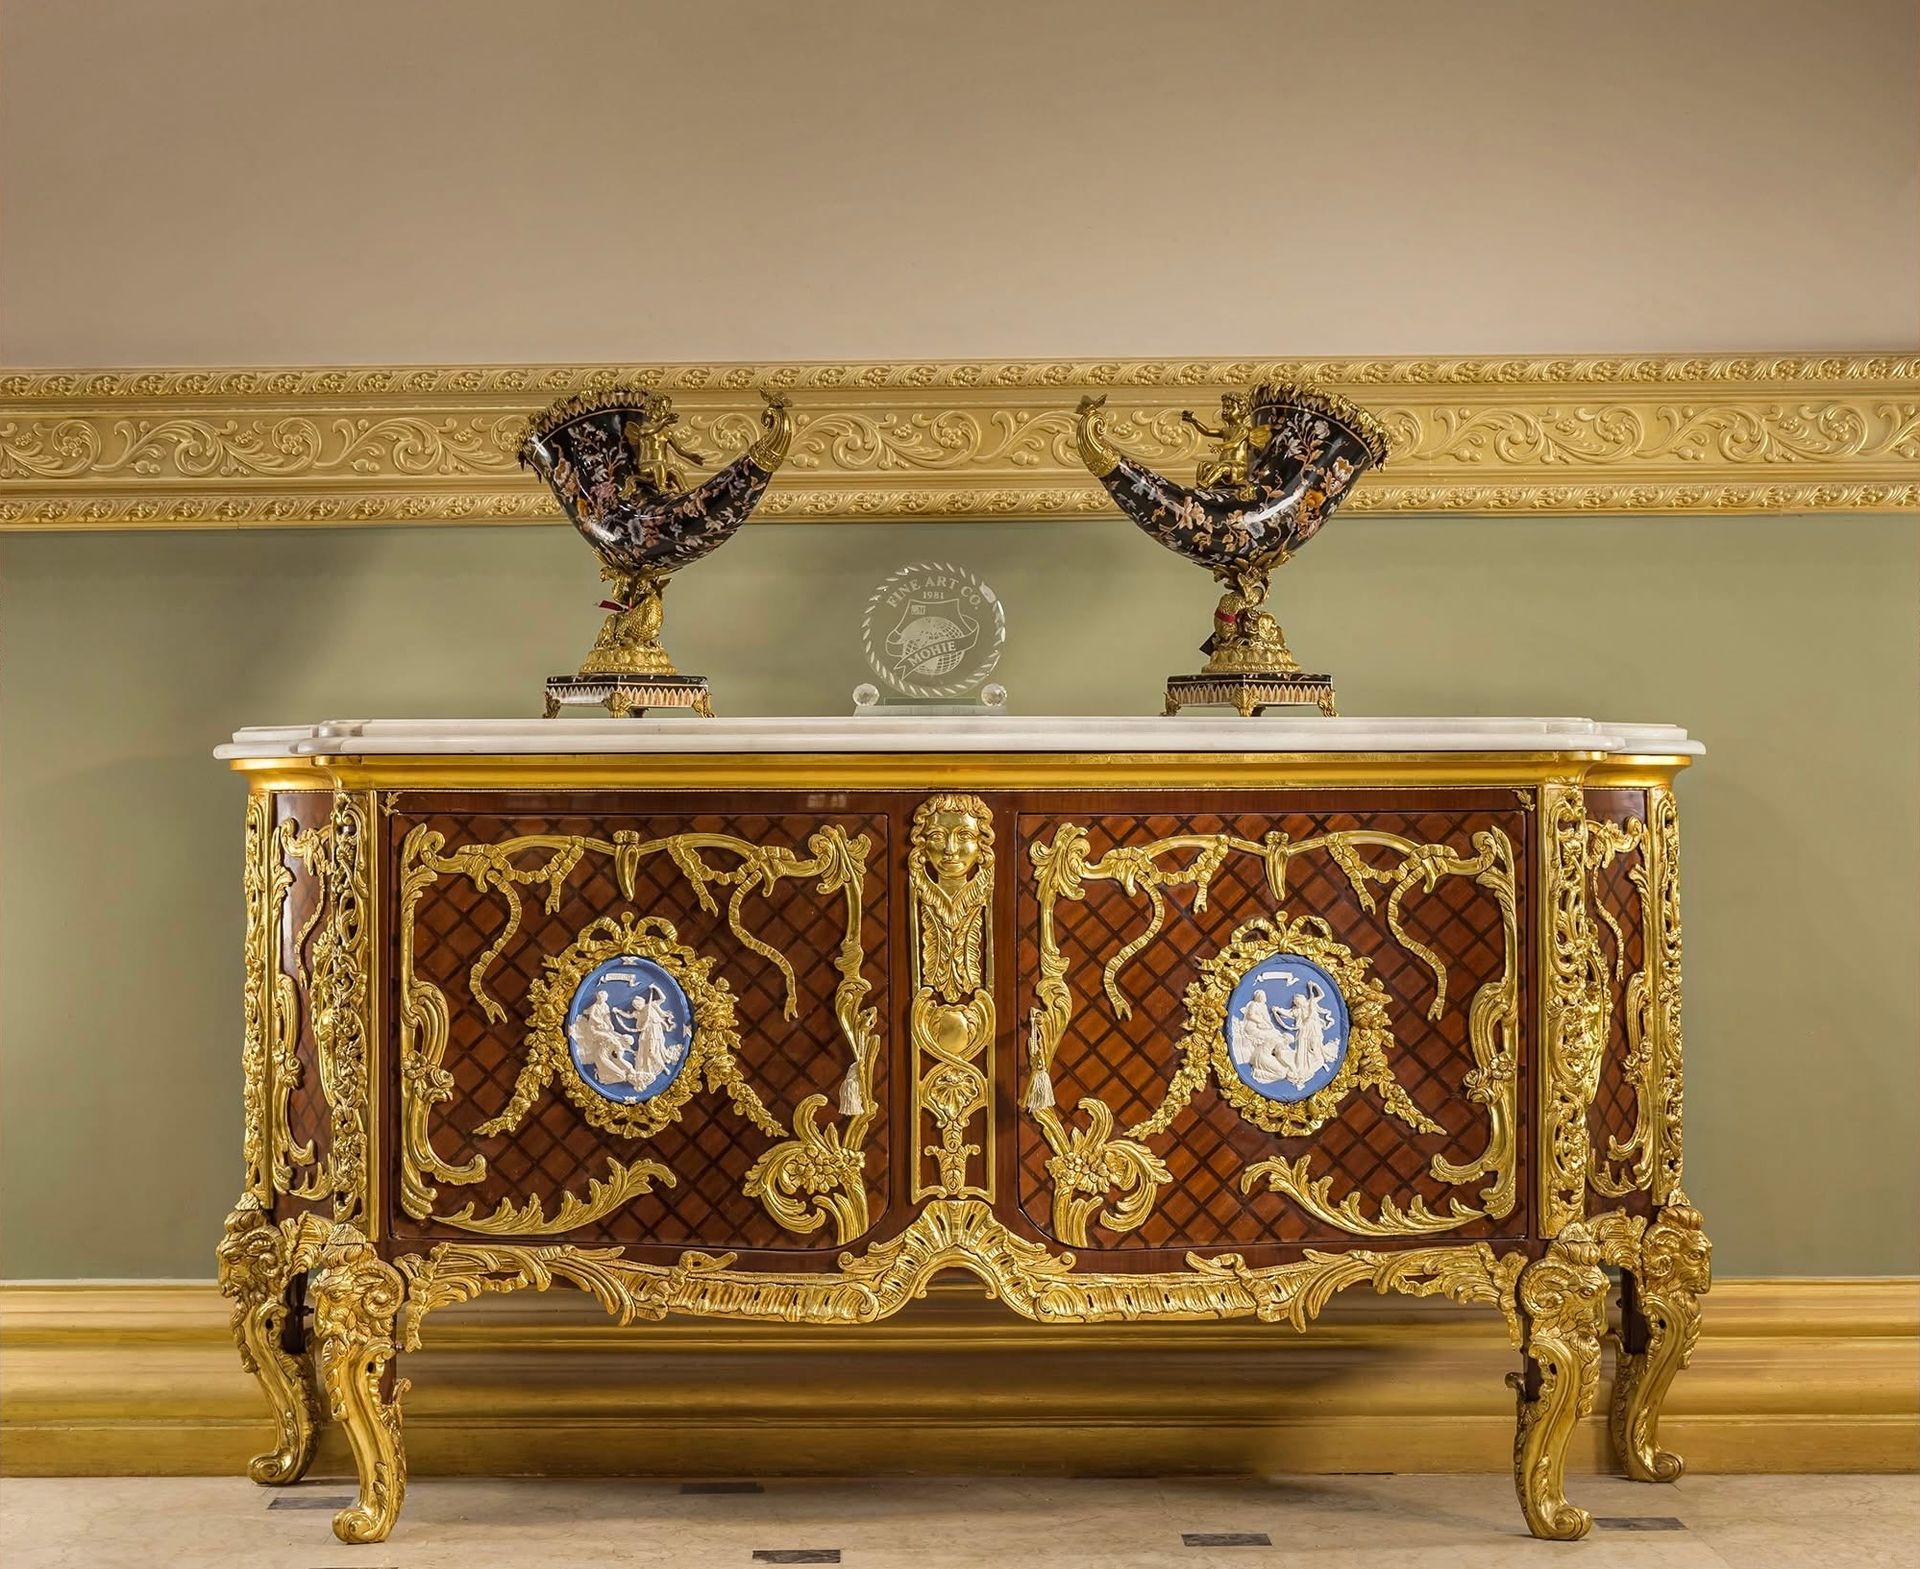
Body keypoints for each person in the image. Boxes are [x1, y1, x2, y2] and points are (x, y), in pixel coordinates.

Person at [569, 989, 637, 1087]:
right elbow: (592, 1017)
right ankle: (611, 1056)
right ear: (598, 997)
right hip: (593, 1030)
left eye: (604, 998)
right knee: (609, 1037)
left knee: (612, 1034)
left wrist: (610, 1025)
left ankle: (614, 1055)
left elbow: (607, 1017)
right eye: (601, 998)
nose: (603, 1000)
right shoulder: (594, 1007)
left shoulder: (605, 1006)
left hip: (602, 1028)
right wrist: (600, 1024)